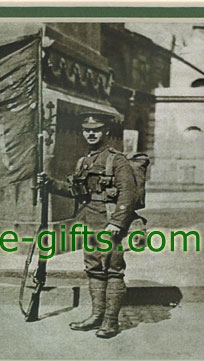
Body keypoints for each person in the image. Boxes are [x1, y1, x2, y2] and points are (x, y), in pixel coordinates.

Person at [46, 112, 137, 338]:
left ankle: (111, 322)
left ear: (105, 131)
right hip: (87, 220)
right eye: (87, 130)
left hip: (108, 222)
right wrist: (49, 184)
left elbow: (129, 193)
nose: (91, 133)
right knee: (94, 268)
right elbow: (76, 191)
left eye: (96, 130)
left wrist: (117, 222)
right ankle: (96, 316)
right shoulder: (84, 161)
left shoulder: (116, 160)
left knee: (113, 270)